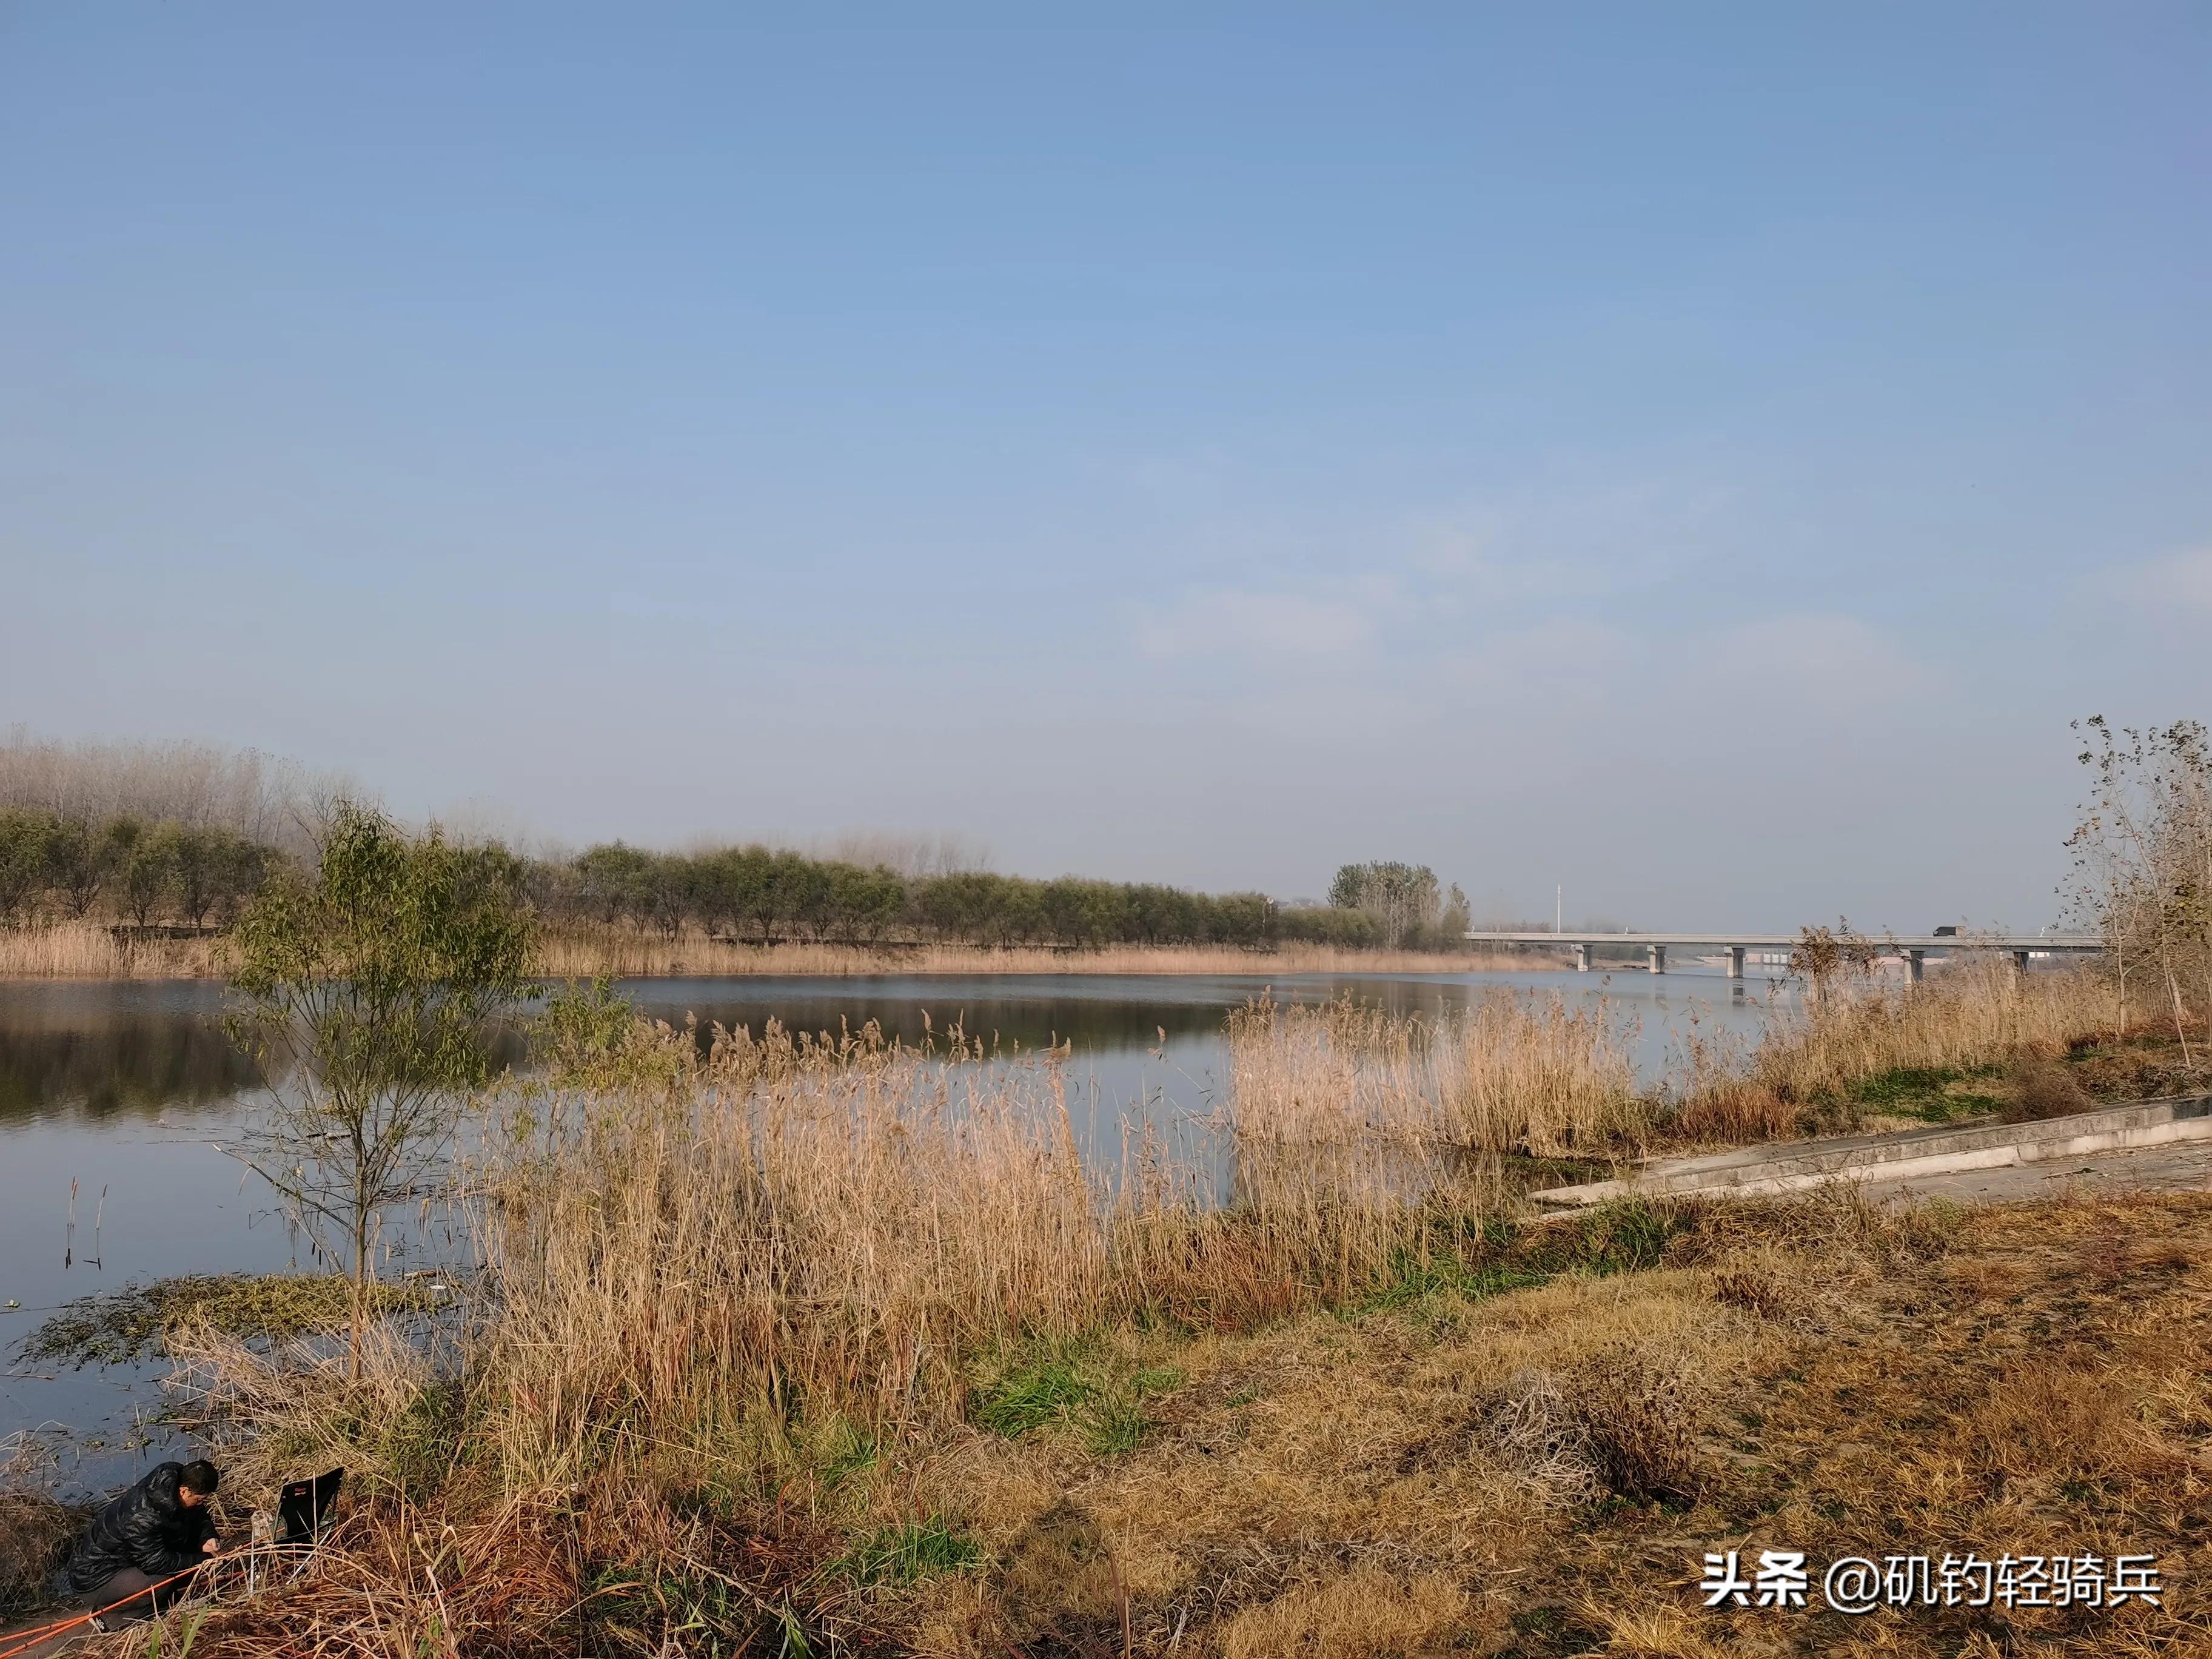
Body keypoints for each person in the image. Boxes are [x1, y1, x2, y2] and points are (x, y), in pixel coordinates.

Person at [54, 1460, 227, 1621]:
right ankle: (108, 1618)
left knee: (185, 1554)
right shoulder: (143, 1517)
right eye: (199, 1500)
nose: (201, 1504)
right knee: (160, 1585)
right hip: (94, 1576)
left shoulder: (171, 1488)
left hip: (130, 1560)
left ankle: (162, 1599)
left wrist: (208, 1537)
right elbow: (155, 1563)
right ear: (184, 1491)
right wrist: (205, 1559)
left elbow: (199, 1515)